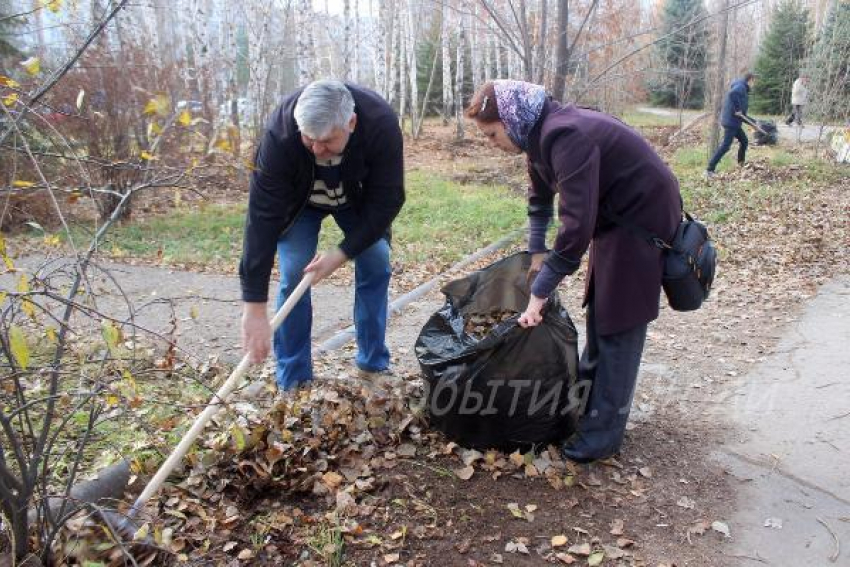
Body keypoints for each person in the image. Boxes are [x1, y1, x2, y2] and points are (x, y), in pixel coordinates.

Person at [465, 80, 681, 463]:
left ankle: (602, 436)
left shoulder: (565, 134)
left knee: (620, 322)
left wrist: (543, 287)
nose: (490, 142)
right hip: (613, 221)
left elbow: (577, 223)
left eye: (491, 133)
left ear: (510, 121)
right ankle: (586, 408)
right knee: (601, 308)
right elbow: (539, 199)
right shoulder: (537, 136)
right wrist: (536, 252)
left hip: (641, 219)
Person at [239, 80, 405, 390]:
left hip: (355, 201)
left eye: (327, 140)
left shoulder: (380, 122)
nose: (316, 149)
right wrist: (254, 306)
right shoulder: (280, 132)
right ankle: (294, 379)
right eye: (308, 139)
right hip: (300, 205)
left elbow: (388, 200)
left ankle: (372, 363)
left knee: (376, 260)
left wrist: (341, 254)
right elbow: (262, 217)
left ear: (351, 123)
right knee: (294, 271)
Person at [706, 72, 757, 179]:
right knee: (725, 146)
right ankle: (709, 169)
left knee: (744, 141)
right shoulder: (741, 87)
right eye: (754, 81)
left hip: (734, 122)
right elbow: (732, 94)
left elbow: (743, 115)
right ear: (751, 79)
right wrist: (738, 109)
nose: (754, 84)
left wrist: (754, 123)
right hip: (731, 123)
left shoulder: (742, 87)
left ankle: (740, 165)